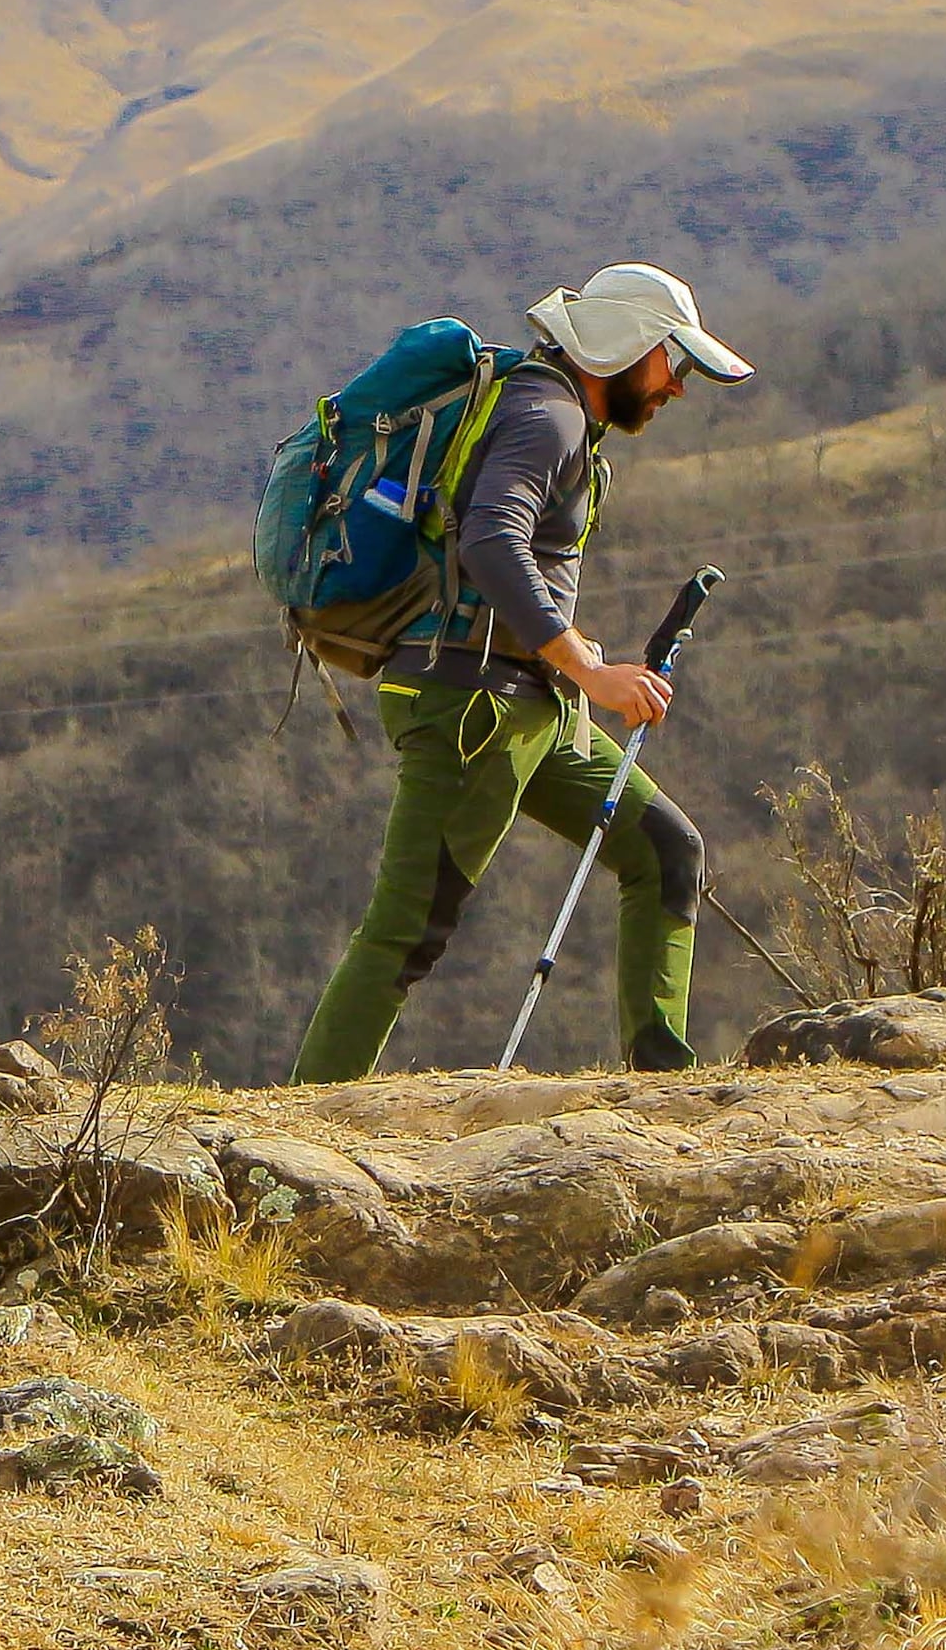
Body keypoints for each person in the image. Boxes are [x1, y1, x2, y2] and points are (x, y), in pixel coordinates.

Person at [292, 261, 748, 1083]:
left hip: (525, 704)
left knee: (666, 851)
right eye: (672, 363)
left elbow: (507, 556)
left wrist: (580, 662)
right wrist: (587, 668)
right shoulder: (549, 416)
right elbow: (491, 541)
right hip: (471, 706)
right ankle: (292, 1126)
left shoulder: (550, 411)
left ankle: (663, 1081)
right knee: (408, 926)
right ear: (626, 348)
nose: (678, 387)